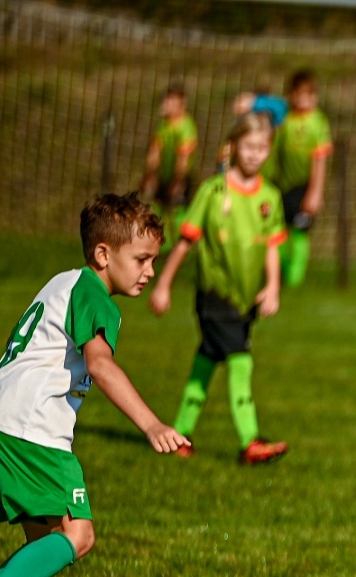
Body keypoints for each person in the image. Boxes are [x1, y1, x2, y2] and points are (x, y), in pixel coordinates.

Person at [0, 194, 189, 577]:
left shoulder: (63, 282)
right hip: (31, 426)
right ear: (104, 254)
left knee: (49, 538)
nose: (149, 271)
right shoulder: (94, 295)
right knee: (79, 534)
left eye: (154, 261)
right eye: (141, 259)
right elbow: (99, 364)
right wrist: (152, 423)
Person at [149, 111, 289, 465]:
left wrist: (273, 286)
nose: (256, 154)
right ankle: (250, 441)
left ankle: (179, 435)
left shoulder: (269, 196)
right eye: (249, 146)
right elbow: (185, 242)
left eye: (263, 147)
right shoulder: (212, 192)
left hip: (245, 299)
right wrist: (163, 284)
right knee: (240, 361)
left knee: (207, 360)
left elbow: (272, 245)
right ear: (233, 147)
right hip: (214, 295)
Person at [264, 69, 331, 289]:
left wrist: (315, 192)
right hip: (281, 184)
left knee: (300, 230)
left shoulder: (318, 122)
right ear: (291, 95)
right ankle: (280, 272)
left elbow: (319, 160)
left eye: (308, 94)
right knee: (278, 229)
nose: (303, 99)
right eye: (298, 94)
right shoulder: (285, 120)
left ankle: (295, 278)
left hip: (305, 186)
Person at [139, 85, 199, 248]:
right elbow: (154, 153)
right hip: (163, 177)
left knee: (177, 211)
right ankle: (159, 243)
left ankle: (183, 245)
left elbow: (184, 156)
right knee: (158, 209)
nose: (165, 104)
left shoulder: (185, 127)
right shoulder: (163, 126)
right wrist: (149, 175)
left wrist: (179, 180)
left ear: (182, 104)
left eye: (170, 100)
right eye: (165, 100)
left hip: (178, 178)